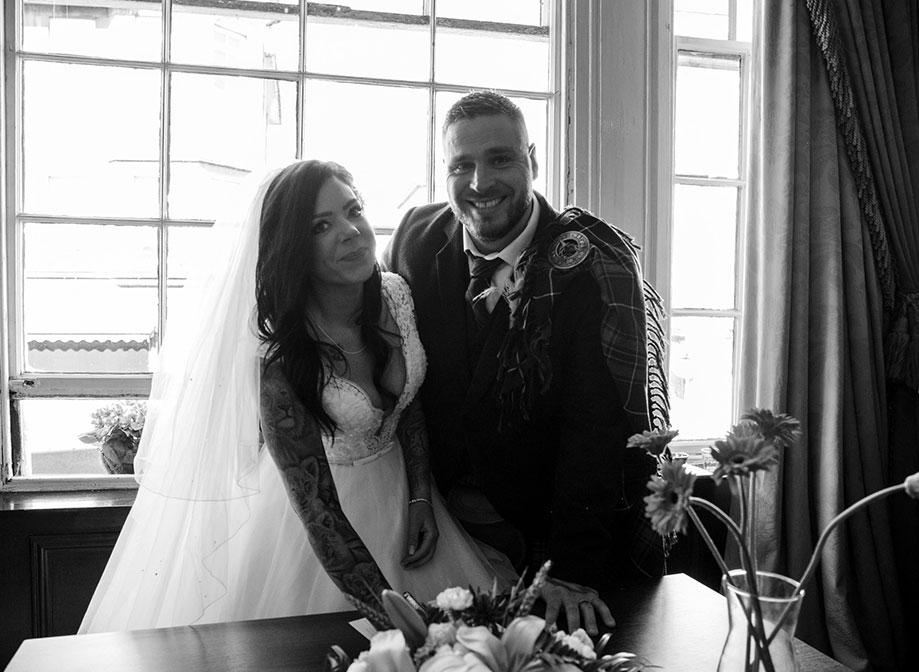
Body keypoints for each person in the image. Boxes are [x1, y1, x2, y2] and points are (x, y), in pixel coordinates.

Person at [80, 160, 512, 634]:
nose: (350, 232)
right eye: (320, 226)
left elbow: (408, 405)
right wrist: (400, 622)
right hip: (318, 521)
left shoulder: (395, 295)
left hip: (402, 495)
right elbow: (320, 513)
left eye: (354, 211)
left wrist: (420, 498)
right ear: (292, 249)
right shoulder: (280, 359)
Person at [384, 91, 668, 635]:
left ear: (532, 160)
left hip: (543, 536)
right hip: (432, 529)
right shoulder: (414, 239)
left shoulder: (587, 266)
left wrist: (571, 572)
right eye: (461, 166)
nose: (479, 182)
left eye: (500, 159)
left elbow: (594, 433)